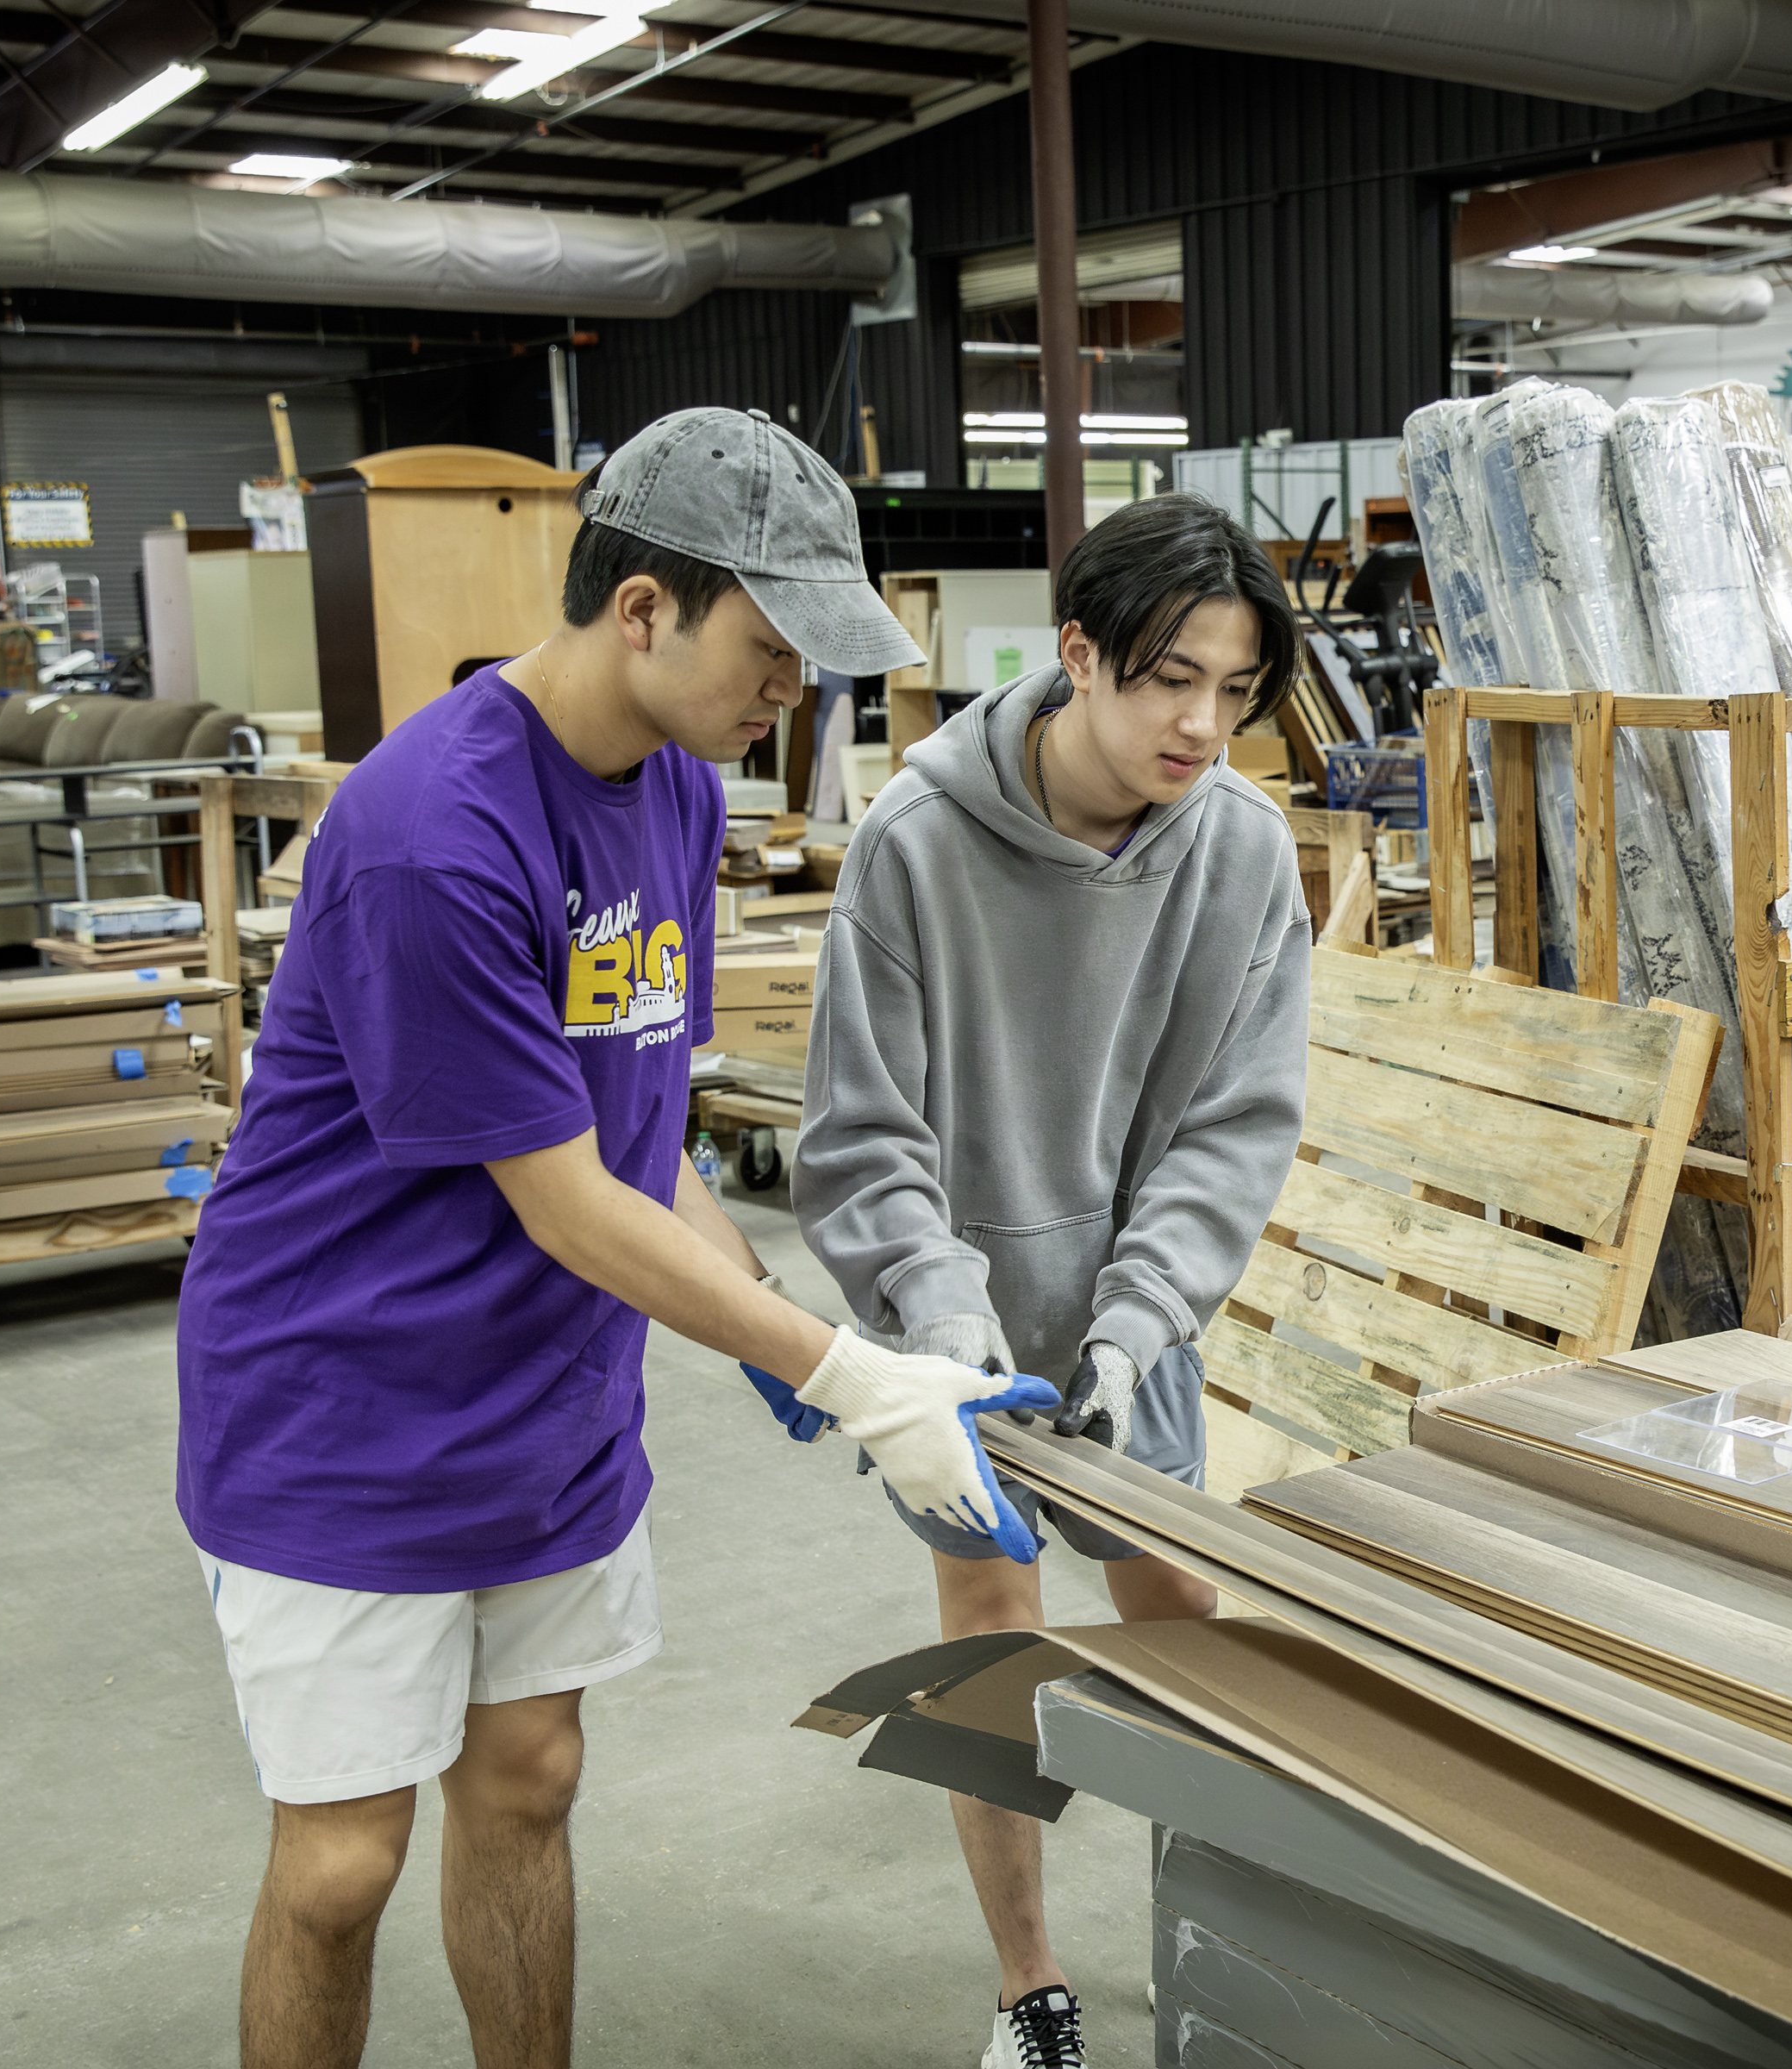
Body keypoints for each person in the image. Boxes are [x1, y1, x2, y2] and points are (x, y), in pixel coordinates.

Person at [172, 406, 1056, 2069]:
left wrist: (765, 1316)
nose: (799, 689)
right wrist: (849, 1367)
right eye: (774, 646)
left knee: (530, 1780)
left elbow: (639, 1135)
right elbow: (562, 1195)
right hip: (343, 1399)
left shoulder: (669, 791)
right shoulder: (439, 832)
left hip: (545, 1401)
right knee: (345, 1858)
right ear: (644, 609)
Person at [796, 492, 1313, 2069]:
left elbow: (1230, 1130)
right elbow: (866, 1138)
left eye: (1235, 690)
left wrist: (1140, 1319)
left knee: (1181, 1621)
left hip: (1133, 1329)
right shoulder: (913, 844)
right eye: (1170, 678)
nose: (1203, 725)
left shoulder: (1242, 852)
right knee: (993, 1639)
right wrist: (947, 1341)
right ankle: (1032, 1992)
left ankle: (1219, 1930)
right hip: (951, 1349)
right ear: (1076, 655)